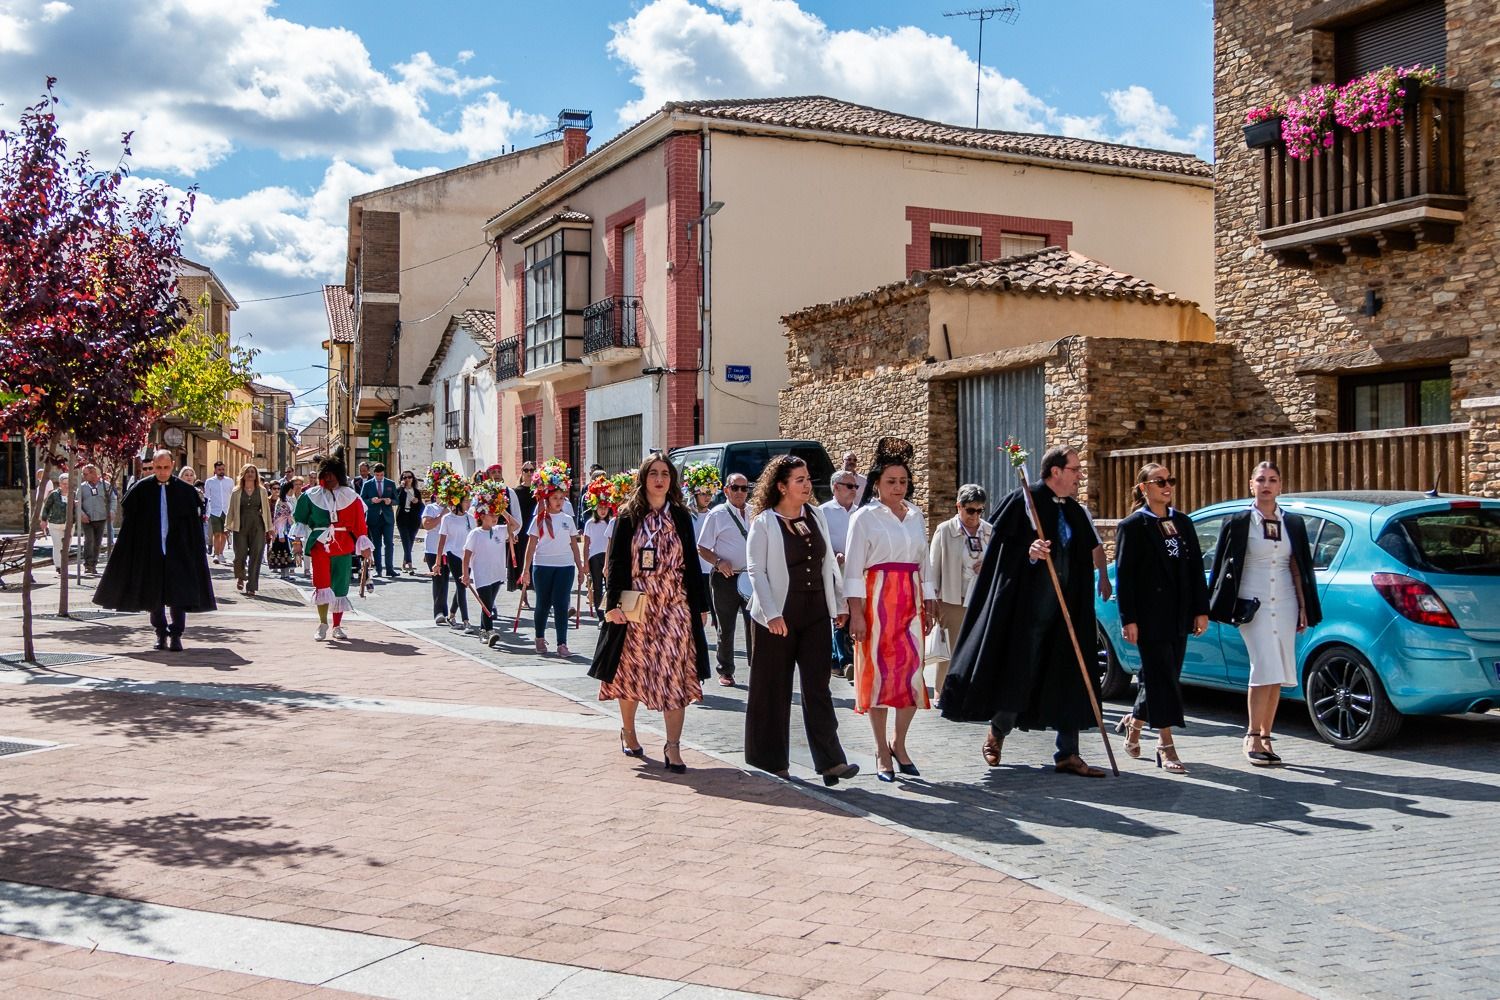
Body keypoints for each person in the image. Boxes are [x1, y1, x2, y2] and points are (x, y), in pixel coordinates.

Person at [941, 445, 1110, 778]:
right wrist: (1029, 551)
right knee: (1020, 670)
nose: (1079, 476)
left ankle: (1068, 753)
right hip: (1028, 609)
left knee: (1069, 672)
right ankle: (997, 732)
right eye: (1075, 469)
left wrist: (1101, 577)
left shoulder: (1074, 511)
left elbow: (1089, 549)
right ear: (1056, 471)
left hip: (1068, 610)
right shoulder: (1025, 500)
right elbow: (1001, 549)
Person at [590, 454, 712, 775]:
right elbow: (616, 564)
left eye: (665, 474)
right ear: (643, 479)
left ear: (671, 481)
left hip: (674, 603)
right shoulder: (628, 517)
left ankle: (673, 746)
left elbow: (693, 564)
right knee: (630, 668)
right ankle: (628, 730)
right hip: (635, 600)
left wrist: (701, 605)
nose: (659, 479)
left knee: (675, 671)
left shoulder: (682, 517)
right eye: (653, 473)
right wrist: (613, 605)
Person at [744, 455, 859, 785]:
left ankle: (831, 762)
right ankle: (770, 759)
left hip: (815, 613)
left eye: (808, 479)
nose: (808, 485)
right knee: (773, 688)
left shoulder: (816, 515)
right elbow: (757, 570)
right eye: (799, 480)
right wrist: (771, 613)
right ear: (781, 486)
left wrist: (837, 604)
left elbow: (828, 567)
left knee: (818, 687)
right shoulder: (765, 521)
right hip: (777, 614)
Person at [1208, 460, 1322, 767]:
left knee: (1278, 670)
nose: (1266, 485)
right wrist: (1219, 604)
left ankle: (1267, 735)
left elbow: (1298, 566)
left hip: (1284, 601)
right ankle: (1251, 735)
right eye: (1261, 479)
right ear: (1251, 485)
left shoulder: (1293, 523)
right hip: (1253, 603)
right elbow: (1221, 565)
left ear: (1280, 485)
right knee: (1263, 665)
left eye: (1272, 479)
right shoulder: (1239, 521)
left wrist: (1302, 606)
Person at [843, 438, 936, 782]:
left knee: (911, 674)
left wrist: (929, 596)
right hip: (877, 598)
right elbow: (852, 569)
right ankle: (882, 750)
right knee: (879, 675)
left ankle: (900, 743)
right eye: (890, 482)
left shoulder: (915, 515)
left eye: (903, 482)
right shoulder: (864, 517)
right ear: (877, 484)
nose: (898, 487)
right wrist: (855, 612)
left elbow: (923, 560)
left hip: (909, 600)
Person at [1114, 464, 1209, 774]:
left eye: (1170, 481)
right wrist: (1128, 618)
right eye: (1160, 482)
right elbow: (1125, 577)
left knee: (1164, 675)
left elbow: (1195, 568)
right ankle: (1165, 745)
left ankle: (1135, 722)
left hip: (1180, 613)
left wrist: (1201, 609)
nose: (1167, 486)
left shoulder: (1182, 522)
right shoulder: (1133, 526)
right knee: (1162, 678)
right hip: (1149, 615)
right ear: (1144, 488)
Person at [93, 450, 217, 651]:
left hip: (178, 552)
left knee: (179, 594)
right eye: (158, 468)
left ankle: (176, 634)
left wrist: (193, 552)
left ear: (173, 465)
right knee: (154, 595)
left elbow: (192, 527)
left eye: (166, 467)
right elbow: (130, 526)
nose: (162, 472)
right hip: (151, 550)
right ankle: (160, 633)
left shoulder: (186, 492)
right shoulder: (141, 490)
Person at [293, 456, 374, 641]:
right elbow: (300, 519)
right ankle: (322, 624)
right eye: (325, 475)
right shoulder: (310, 495)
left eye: (332, 475)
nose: (328, 479)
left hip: (343, 543)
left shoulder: (351, 496)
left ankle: (337, 626)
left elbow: (360, 524)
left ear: (339, 476)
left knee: (340, 585)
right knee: (321, 583)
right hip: (320, 544)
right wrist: (297, 542)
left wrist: (365, 548)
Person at [928, 484, 994, 706]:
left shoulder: (988, 531)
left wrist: (987, 565)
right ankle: (943, 693)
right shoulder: (945, 530)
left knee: (977, 649)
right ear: (959, 507)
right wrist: (933, 600)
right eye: (970, 510)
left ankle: (973, 693)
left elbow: (997, 564)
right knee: (950, 649)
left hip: (981, 600)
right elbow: (933, 567)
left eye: (979, 510)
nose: (975, 516)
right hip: (952, 599)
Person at [518, 460, 584, 656]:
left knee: (562, 604)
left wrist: (580, 568)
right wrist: (525, 569)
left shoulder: (567, 520)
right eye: (554, 498)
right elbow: (531, 546)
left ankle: (562, 643)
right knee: (543, 604)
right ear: (546, 499)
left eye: (561, 498)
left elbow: (574, 545)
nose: (558, 501)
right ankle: (539, 637)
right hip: (543, 565)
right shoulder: (539, 520)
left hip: (565, 566)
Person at [696, 472, 753, 687]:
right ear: (726, 490)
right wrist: (719, 562)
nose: (740, 492)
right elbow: (702, 547)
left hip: (749, 576)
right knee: (726, 626)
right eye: (735, 488)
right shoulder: (717, 515)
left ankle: (756, 668)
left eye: (744, 488)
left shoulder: (754, 512)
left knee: (754, 623)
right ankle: (726, 670)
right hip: (725, 578)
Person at [462, 481, 520, 647]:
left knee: (487, 604)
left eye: (496, 515)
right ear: (481, 516)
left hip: (496, 573)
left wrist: (502, 510)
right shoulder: (475, 534)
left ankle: (483, 631)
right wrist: (465, 573)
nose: (495, 518)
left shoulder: (500, 530)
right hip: (481, 574)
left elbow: (516, 525)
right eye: (491, 515)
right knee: (486, 603)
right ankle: (490, 631)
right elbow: (466, 555)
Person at [821, 469, 861, 679]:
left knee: (855, 614)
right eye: (849, 486)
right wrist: (832, 556)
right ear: (835, 487)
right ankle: (843, 661)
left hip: (856, 573)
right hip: (834, 572)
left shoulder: (860, 512)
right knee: (838, 616)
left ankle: (844, 659)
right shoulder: (823, 512)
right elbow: (819, 542)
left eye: (855, 486)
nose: (854, 490)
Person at [226, 463, 272, 598]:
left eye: (253, 472)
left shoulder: (262, 491)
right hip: (240, 525)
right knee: (239, 554)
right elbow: (231, 510)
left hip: (258, 525)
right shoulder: (236, 491)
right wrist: (227, 526)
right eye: (248, 472)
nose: (250, 474)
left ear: (256, 475)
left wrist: (269, 528)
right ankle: (240, 576)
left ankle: (251, 586)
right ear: (243, 474)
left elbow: (267, 511)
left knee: (256, 555)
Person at [433, 493, 475, 633]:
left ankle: (451, 616)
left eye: (469, 501)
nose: (468, 504)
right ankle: (466, 621)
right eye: (465, 501)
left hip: (467, 555)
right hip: (453, 553)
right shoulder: (447, 518)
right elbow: (442, 540)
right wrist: (438, 560)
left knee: (461, 586)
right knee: (462, 585)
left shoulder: (470, 518)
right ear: (458, 502)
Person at [581, 482, 616, 618]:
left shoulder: (611, 522)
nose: (603, 511)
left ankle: (608, 612)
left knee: (609, 587)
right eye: (600, 507)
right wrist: (585, 563)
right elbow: (586, 544)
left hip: (608, 557)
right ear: (595, 508)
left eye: (605, 508)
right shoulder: (590, 523)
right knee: (597, 587)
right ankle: (600, 615)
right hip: (594, 557)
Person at [360, 463, 398, 579]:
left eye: (381, 475)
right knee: (376, 545)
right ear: (374, 474)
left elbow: (397, 500)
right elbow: (361, 500)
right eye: (377, 475)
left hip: (387, 518)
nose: (379, 477)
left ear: (384, 473)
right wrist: (371, 500)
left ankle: (390, 569)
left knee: (389, 543)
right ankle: (378, 569)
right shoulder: (367, 484)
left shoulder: (390, 483)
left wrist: (390, 501)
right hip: (373, 518)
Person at [508, 460, 538, 591]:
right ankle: (523, 594)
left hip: (535, 528)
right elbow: (513, 513)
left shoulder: (538, 491)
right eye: (526, 470)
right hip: (522, 529)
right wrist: (513, 533)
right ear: (522, 472)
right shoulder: (516, 491)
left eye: (532, 470)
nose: (529, 473)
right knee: (522, 561)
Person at [77, 464, 110, 576]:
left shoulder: (106, 486)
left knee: (97, 543)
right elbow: (77, 503)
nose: (83, 476)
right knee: (89, 540)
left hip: (101, 518)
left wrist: (112, 511)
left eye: (85, 474)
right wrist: (82, 515)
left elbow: (113, 500)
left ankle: (94, 565)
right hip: (87, 519)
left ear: (93, 473)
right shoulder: (82, 487)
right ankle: (88, 565)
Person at [203, 461, 234, 564]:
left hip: (227, 510)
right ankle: (216, 554)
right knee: (217, 534)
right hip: (214, 511)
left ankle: (221, 554)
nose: (221, 471)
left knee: (225, 534)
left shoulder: (229, 481)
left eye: (223, 469)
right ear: (215, 470)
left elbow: (232, 496)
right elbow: (206, 497)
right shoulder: (209, 481)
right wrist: (206, 512)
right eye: (219, 469)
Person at [40, 473, 71, 573]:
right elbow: (47, 507)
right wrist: (43, 520)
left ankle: (64, 564)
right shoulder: (54, 494)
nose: (66, 486)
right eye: (64, 483)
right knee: (58, 545)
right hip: (55, 524)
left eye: (68, 483)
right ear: (60, 484)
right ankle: (59, 566)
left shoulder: (73, 494)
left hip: (69, 524)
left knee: (67, 545)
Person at [395, 470, 424, 574]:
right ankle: (409, 563)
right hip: (402, 517)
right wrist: (403, 488)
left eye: (409, 477)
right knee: (405, 539)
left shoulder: (416, 492)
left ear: (413, 478)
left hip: (414, 518)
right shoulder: (399, 490)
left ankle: (404, 562)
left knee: (410, 540)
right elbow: (397, 501)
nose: (407, 479)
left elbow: (421, 506)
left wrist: (417, 502)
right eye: (404, 477)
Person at [268, 482, 296, 579]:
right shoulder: (281, 502)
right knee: (284, 552)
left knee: (286, 552)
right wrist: (280, 534)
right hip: (282, 530)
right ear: (289, 490)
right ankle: (284, 574)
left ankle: (285, 574)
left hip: (287, 529)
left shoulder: (286, 500)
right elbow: (279, 519)